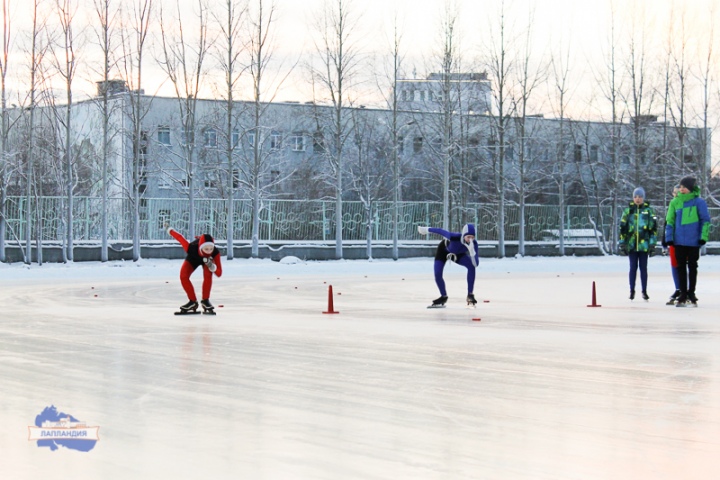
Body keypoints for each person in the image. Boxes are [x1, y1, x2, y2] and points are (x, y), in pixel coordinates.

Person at [664, 176, 710, 307]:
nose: (681, 189)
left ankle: (691, 292)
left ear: (690, 188)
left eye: (684, 187)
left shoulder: (699, 202)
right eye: (681, 187)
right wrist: (669, 238)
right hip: (679, 241)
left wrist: (703, 237)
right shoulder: (675, 202)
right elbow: (670, 221)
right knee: (680, 267)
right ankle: (683, 293)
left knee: (693, 267)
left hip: (694, 241)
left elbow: (705, 220)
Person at [417, 223, 479, 307]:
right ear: (463, 235)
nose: (470, 240)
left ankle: (470, 295)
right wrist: (426, 230)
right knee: (438, 273)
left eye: (472, 237)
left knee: (471, 266)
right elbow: (440, 231)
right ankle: (443, 296)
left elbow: (476, 264)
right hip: (443, 251)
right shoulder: (455, 237)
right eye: (468, 237)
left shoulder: (474, 244)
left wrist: (472, 253)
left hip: (458, 255)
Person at [167, 226, 223, 313]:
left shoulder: (215, 253)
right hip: (193, 258)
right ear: (201, 247)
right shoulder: (191, 248)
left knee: (208, 275)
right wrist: (169, 230)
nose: (208, 251)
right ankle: (192, 302)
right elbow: (180, 238)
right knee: (183, 276)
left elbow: (219, 274)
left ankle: (205, 300)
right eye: (206, 249)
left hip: (207, 261)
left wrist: (213, 267)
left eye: (211, 249)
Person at [618, 187, 657, 300]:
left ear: (643, 198)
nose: (638, 199)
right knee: (632, 268)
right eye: (635, 197)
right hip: (631, 245)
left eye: (640, 197)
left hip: (644, 245)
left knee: (643, 268)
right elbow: (622, 228)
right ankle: (632, 290)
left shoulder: (649, 211)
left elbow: (653, 229)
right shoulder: (628, 211)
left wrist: (652, 244)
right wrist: (622, 243)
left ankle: (644, 291)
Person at [661, 185, 682, 305]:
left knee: (684, 266)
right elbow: (667, 223)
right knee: (675, 265)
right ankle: (678, 288)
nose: (676, 194)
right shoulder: (673, 204)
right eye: (675, 192)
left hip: (684, 241)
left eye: (678, 192)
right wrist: (665, 241)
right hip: (673, 241)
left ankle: (686, 289)